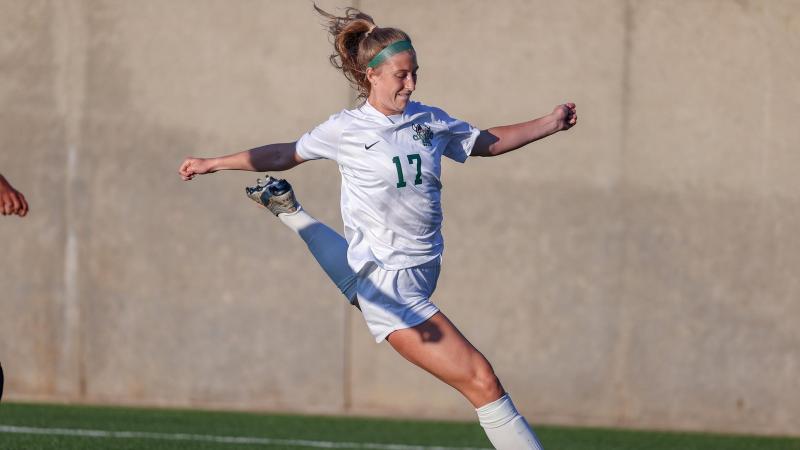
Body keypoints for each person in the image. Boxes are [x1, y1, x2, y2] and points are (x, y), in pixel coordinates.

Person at [179, 6, 577, 449]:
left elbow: (483, 142)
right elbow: (284, 154)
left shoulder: (428, 120)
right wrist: (215, 162)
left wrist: (550, 123)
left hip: (414, 271)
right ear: (372, 75)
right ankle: (291, 214)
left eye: (414, 74)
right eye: (401, 75)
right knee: (482, 382)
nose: (411, 83)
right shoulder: (346, 130)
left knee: (357, 281)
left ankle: (290, 211)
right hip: (393, 290)